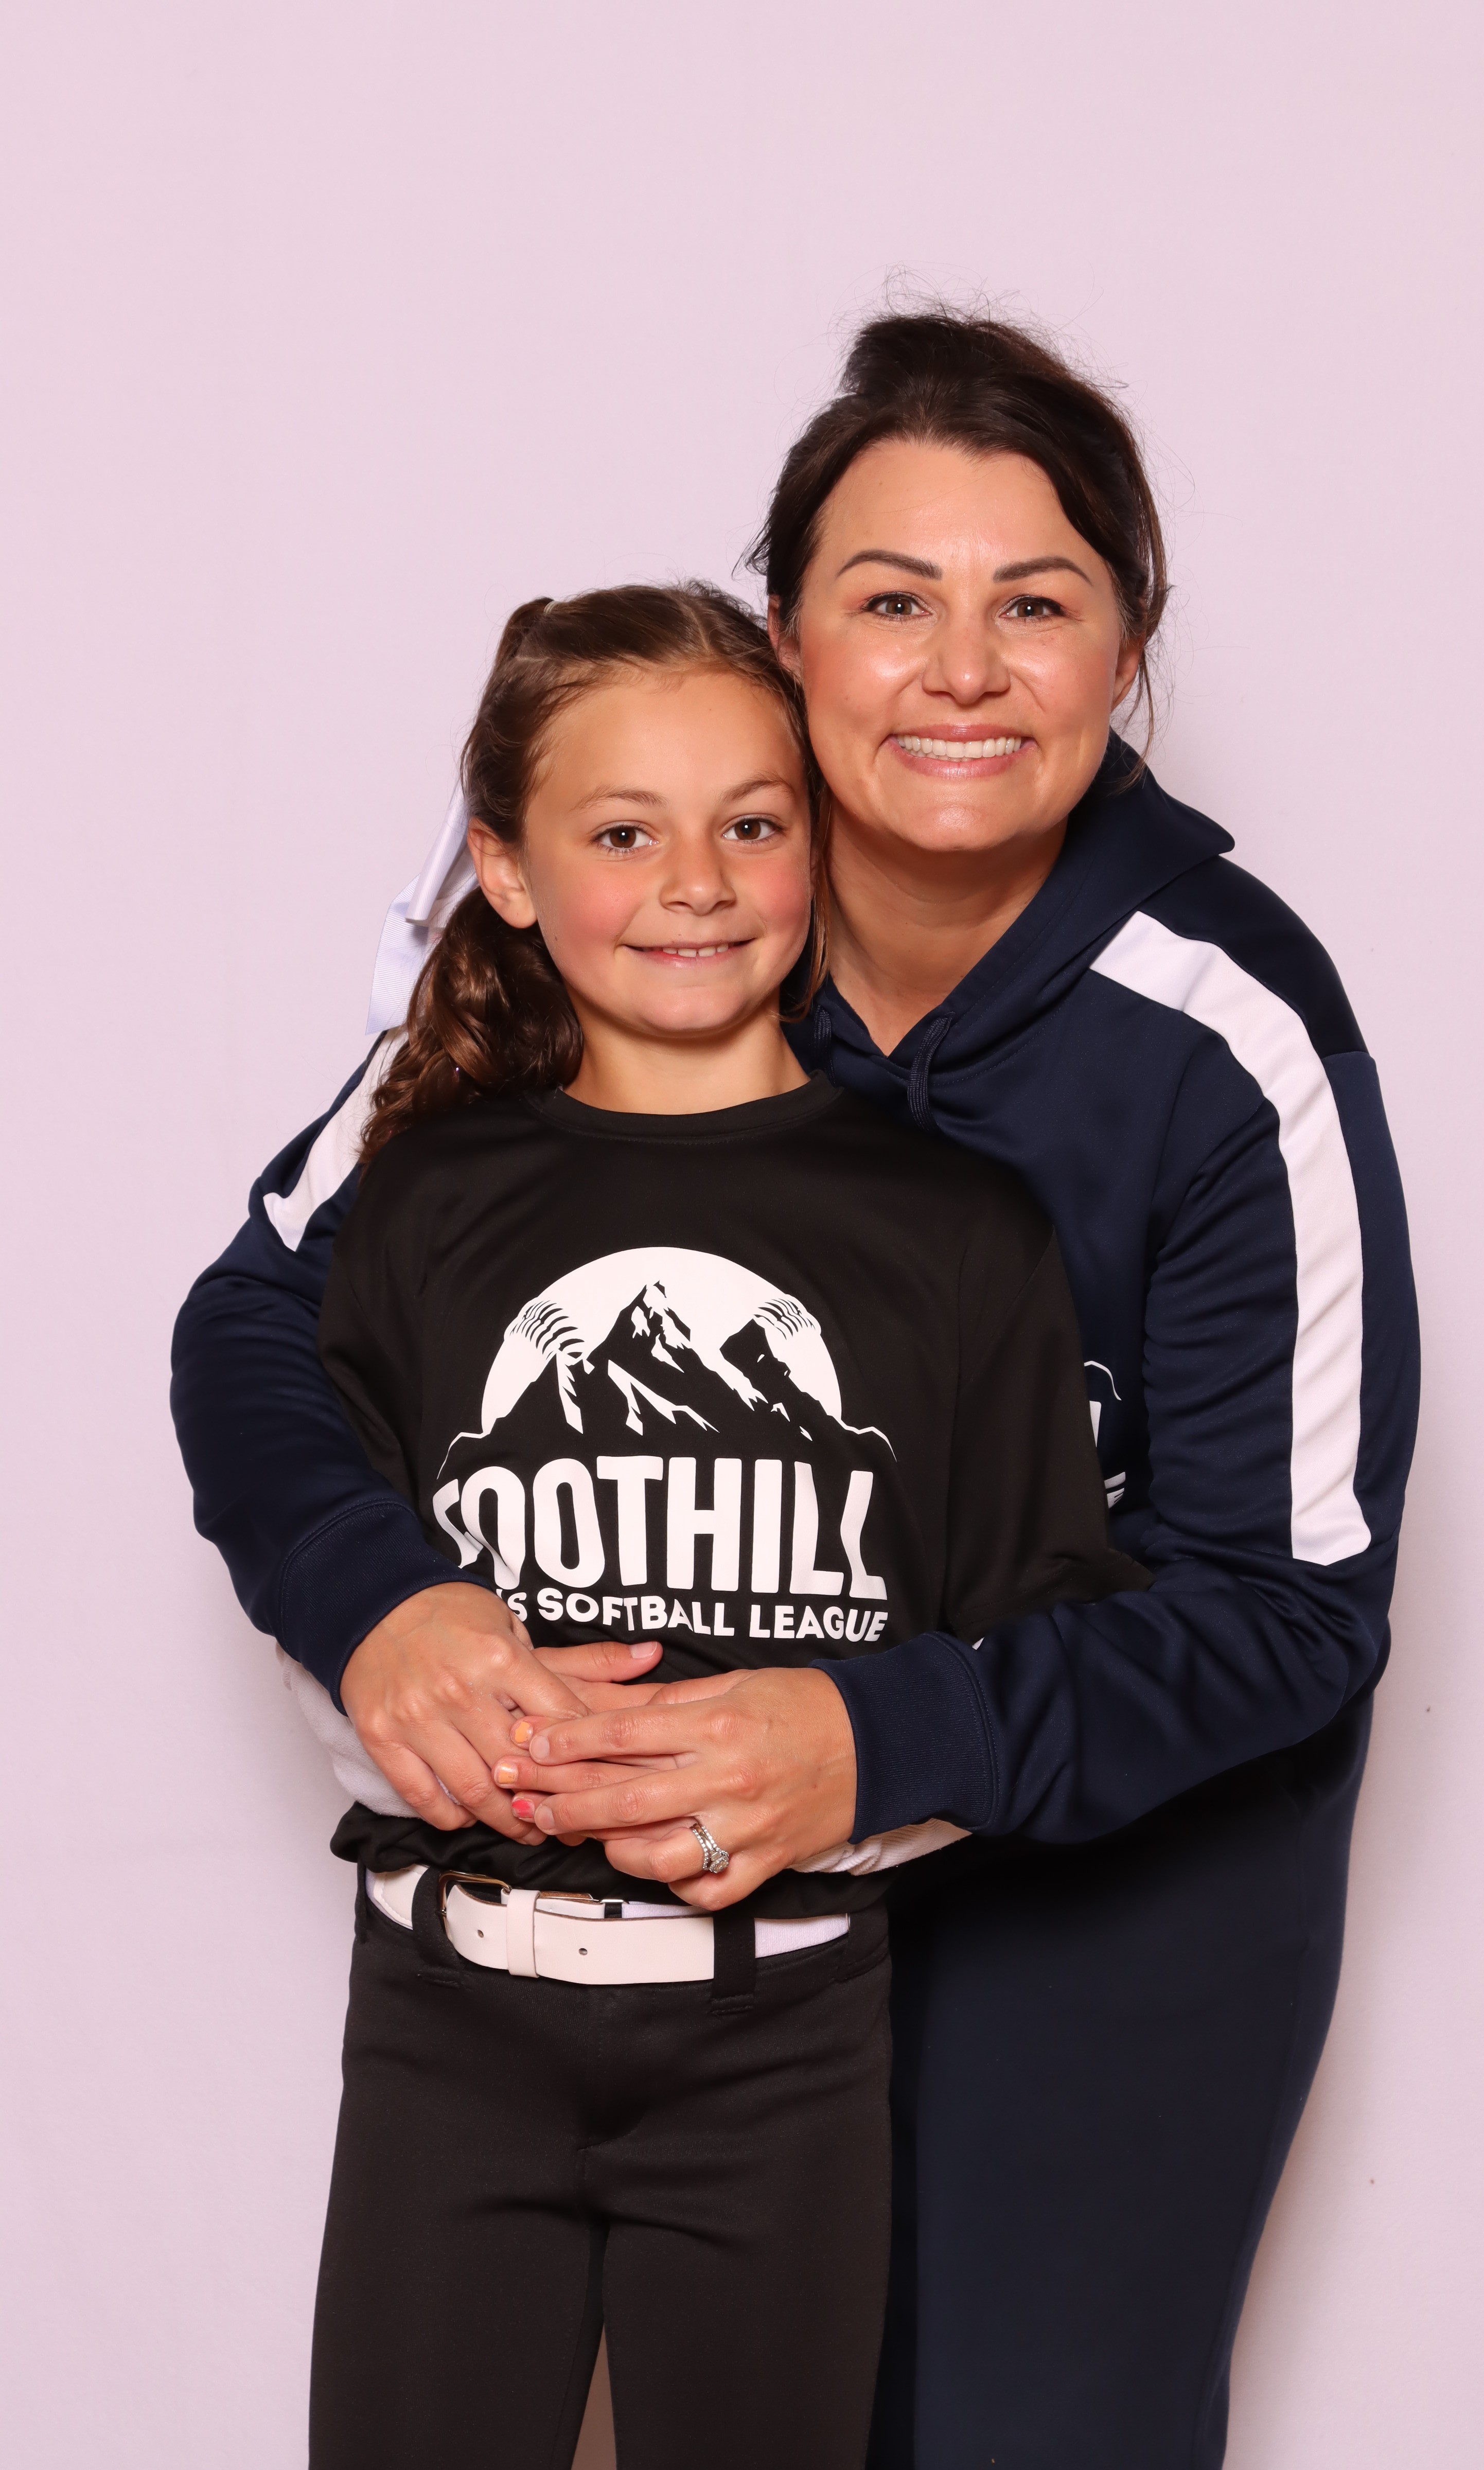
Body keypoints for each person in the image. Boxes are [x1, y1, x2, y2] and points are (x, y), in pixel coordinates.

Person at [172, 311, 1420, 2469]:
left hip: (1102, 1909)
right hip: (650, 1942)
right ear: (788, 635)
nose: (961, 672)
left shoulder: (1230, 1034)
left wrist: (871, 1733)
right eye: (890, 601)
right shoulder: (665, 915)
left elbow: (1291, 1607)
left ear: (1127, 650)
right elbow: (261, 1317)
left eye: (1037, 604)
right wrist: (380, 1599)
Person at [285, 579, 1140, 2470]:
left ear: (817, 847)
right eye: (622, 834)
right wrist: (451, 1719)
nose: (697, 882)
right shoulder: (419, 1200)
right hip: (446, 2015)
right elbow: (334, 1589)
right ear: (503, 872)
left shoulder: (958, 1230)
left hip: (787, 2034)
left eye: (753, 824)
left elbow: (1036, 1633)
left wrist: (833, 1772)